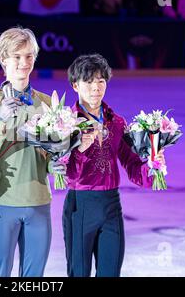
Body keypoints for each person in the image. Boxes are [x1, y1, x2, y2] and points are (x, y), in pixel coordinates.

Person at [62, 54, 166, 277]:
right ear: (75, 85)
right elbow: (65, 174)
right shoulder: (65, 123)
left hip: (111, 206)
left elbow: (132, 165)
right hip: (80, 206)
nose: (95, 88)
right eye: (89, 81)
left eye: (101, 80)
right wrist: (78, 151)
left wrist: (153, 168)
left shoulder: (117, 122)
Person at [0, 27, 65, 277]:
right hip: (3, 201)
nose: (24, 63)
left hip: (38, 199)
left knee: (34, 277)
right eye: (17, 56)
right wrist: (1, 121)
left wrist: (54, 164)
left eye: (28, 56)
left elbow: (51, 152)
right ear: (3, 59)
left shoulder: (48, 103)